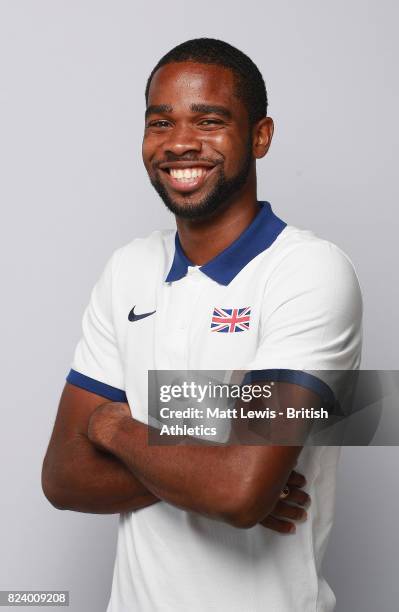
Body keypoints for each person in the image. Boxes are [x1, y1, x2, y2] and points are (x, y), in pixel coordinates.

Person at [41, 38, 362, 612]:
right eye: (160, 122)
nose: (180, 142)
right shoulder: (128, 269)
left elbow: (240, 492)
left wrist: (115, 427)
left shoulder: (310, 272)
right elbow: (64, 478)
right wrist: (222, 463)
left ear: (260, 136)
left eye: (209, 121)